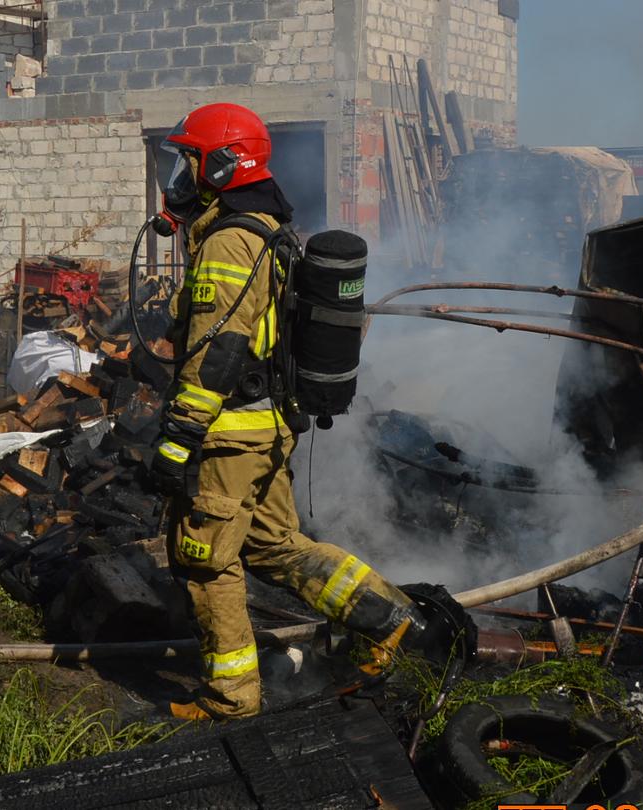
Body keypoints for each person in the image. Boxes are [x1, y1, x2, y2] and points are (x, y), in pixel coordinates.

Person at [149, 103, 450, 720]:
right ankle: (392, 622)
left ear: (225, 165)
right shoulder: (267, 229)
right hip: (268, 426)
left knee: (205, 559)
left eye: (190, 161)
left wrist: (180, 434)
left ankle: (230, 699)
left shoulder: (232, 238)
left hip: (231, 434)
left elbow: (221, 348)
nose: (179, 175)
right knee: (275, 547)